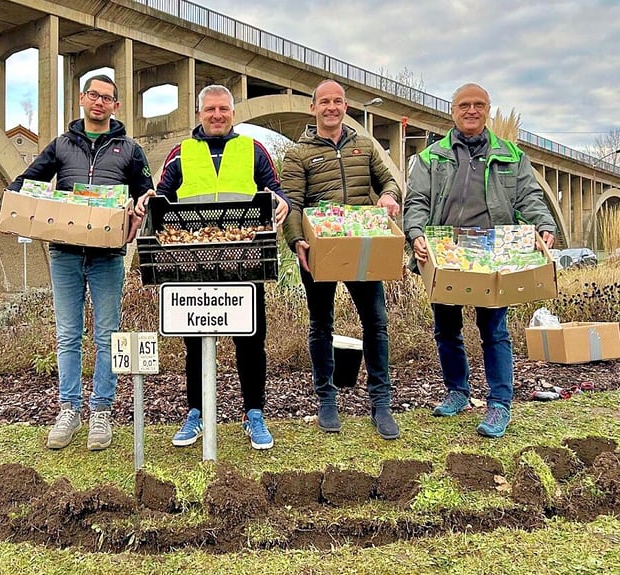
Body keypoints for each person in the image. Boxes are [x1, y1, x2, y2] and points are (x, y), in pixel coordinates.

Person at [135, 84, 289, 450]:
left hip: (245, 262)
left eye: (223, 109)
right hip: (194, 263)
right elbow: (163, 195)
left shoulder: (252, 150)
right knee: (195, 342)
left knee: (251, 341)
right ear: (200, 114)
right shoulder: (180, 153)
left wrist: (280, 202)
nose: (217, 115)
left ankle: (254, 413)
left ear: (232, 113)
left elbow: (275, 188)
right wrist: (149, 199)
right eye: (210, 110)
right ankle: (196, 414)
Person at [6, 74, 154, 451]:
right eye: (94, 95)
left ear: (116, 107)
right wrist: (10, 200)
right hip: (65, 252)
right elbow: (27, 182)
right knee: (68, 335)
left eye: (107, 98)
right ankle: (68, 409)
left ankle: (101, 412)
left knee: (106, 335)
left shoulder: (130, 150)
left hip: (108, 256)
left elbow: (147, 193)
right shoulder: (59, 146)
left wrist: (141, 207)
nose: (99, 103)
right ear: (82, 99)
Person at [403, 82, 557, 438]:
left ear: (488, 110)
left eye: (479, 105)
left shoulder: (511, 156)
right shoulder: (430, 158)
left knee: (494, 330)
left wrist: (544, 225)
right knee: (446, 329)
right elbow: (417, 202)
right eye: (463, 105)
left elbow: (530, 197)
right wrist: (416, 234)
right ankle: (458, 391)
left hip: (493, 255)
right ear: (452, 111)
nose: (471, 111)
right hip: (447, 253)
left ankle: (499, 403)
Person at [279, 79, 402, 440]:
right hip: (321, 249)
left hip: (362, 246)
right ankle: (327, 400)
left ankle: (381, 403)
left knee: (375, 324)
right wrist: (297, 239)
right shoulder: (299, 153)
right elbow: (292, 202)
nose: (331, 107)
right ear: (313, 108)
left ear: (345, 106)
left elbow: (388, 182)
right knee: (321, 325)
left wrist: (390, 197)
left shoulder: (364, 146)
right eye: (324, 102)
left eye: (338, 101)